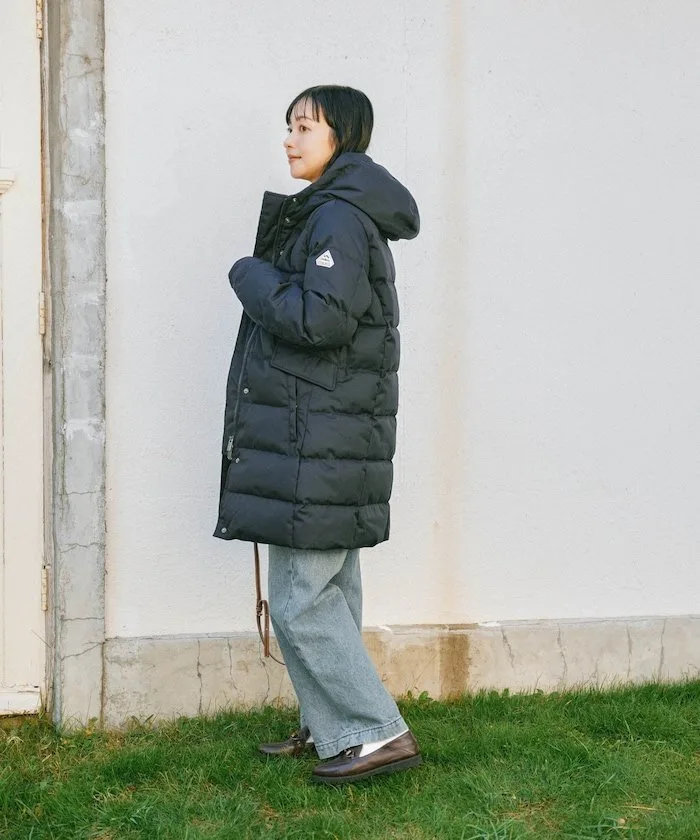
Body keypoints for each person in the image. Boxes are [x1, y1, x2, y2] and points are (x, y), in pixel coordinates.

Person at [214, 85, 421, 785]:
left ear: (343, 136)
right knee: (327, 589)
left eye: (305, 126)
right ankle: (332, 725)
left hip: (320, 439)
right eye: (289, 126)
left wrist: (250, 276)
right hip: (326, 436)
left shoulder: (337, 216)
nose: (290, 139)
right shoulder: (336, 211)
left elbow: (320, 321)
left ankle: (376, 732)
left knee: (302, 598)